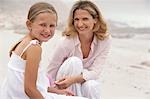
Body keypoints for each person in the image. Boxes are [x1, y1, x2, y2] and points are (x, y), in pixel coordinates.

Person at [0, 2, 88, 99]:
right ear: (29, 24)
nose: (47, 30)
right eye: (42, 25)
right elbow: (29, 89)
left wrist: (56, 91)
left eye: (52, 26)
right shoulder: (34, 48)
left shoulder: (23, 42)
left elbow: (29, 84)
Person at [47, 0, 111, 99]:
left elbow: (95, 72)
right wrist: (51, 90)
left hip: (83, 81)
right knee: (74, 62)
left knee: (92, 86)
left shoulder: (105, 41)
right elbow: (51, 71)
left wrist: (74, 79)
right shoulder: (66, 42)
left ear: (95, 20)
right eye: (76, 19)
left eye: (85, 19)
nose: (80, 24)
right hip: (62, 82)